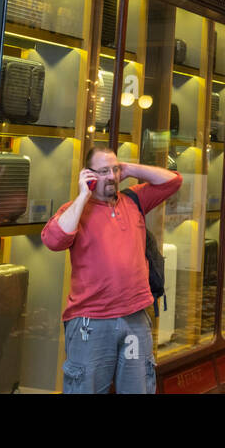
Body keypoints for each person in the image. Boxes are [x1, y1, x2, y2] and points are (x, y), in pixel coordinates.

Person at [40, 146, 182, 394]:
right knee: (86, 388)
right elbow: (53, 240)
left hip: (135, 318)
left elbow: (173, 181)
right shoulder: (74, 210)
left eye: (115, 169)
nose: (112, 176)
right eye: (103, 171)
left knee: (137, 388)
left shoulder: (134, 200)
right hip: (91, 322)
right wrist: (83, 195)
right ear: (88, 174)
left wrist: (129, 168)